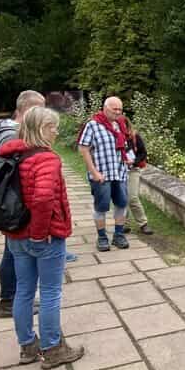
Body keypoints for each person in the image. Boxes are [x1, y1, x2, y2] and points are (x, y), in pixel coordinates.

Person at [0, 106, 84, 368]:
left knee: (23, 290)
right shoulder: (46, 159)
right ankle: (52, 348)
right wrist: (39, 235)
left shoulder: (13, 155)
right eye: (52, 126)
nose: (56, 131)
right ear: (39, 128)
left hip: (16, 236)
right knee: (49, 292)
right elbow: (44, 199)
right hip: (43, 236)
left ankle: (28, 346)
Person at [0, 89, 45, 319]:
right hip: (14, 203)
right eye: (39, 109)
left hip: (12, 202)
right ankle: (9, 301)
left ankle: (12, 298)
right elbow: (14, 170)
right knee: (12, 252)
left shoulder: (7, 130)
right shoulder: (10, 135)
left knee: (12, 251)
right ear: (26, 110)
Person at [77, 95, 130, 252]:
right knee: (101, 207)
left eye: (120, 109)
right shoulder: (93, 125)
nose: (118, 112)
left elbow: (123, 147)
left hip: (119, 173)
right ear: (105, 108)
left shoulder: (119, 124)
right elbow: (83, 148)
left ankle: (118, 235)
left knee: (121, 204)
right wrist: (94, 172)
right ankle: (102, 238)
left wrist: (128, 159)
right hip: (102, 175)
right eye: (115, 109)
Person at [123, 119, 154, 236]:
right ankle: (123, 224)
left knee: (132, 197)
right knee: (121, 198)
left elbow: (143, 153)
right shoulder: (112, 136)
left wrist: (133, 161)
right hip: (117, 171)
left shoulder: (134, 136)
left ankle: (143, 224)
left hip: (132, 170)